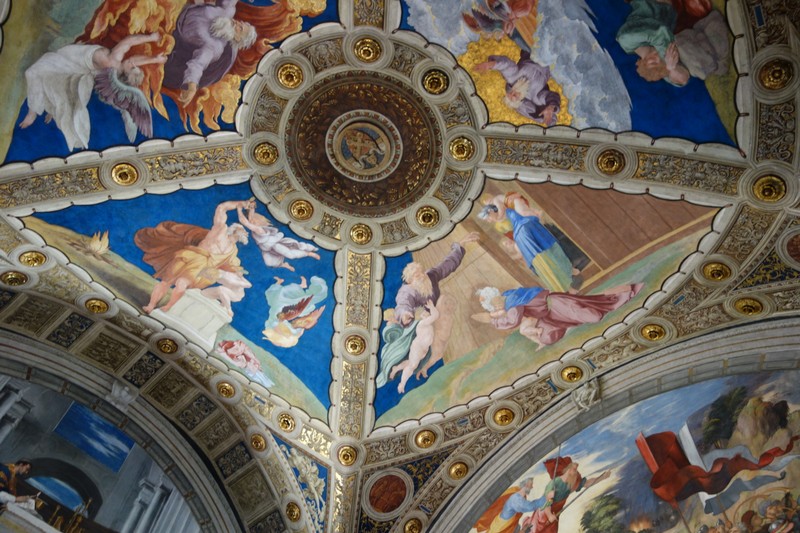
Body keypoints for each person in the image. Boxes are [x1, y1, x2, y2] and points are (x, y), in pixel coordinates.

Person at [20, 33, 166, 150]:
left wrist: (151, 37)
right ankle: (48, 106)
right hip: (77, 60)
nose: (133, 63)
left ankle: (32, 112)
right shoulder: (117, 70)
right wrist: (154, 59)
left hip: (70, 62)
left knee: (32, 72)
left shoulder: (112, 61)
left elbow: (129, 41)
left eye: (132, 67)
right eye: (135, 66)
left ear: (126, 73)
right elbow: (134, 60)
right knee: (58, 88)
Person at [375, 232, 480, 390]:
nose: (422, 276)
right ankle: (403, 372)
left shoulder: (430, 276)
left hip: (435, 314)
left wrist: (461, 245)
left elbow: (447, 264)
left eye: (421, 272)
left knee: (441, 345)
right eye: (417, 276)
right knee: (417, 356)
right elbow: (403, 304)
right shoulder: (407, 291)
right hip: (421, 323)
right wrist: (405, 314)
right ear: (410, 280)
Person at [135, 200, 251, 313]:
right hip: (192, 258)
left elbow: (232, 267)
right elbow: (221, 208)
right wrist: (240, 204)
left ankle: (167, 307)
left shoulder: (233, 250)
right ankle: (151, 305)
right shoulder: (220, 230)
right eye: (242, 230)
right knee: (167, 282)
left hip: (204, 270)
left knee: (181, 284)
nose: (245, 233)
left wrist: (238, 275)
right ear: (234, 229)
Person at [473, 283, 643, 347]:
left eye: (493, 304)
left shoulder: (513, 300)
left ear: (496, 297)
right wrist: (496, 314)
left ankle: (613, 292)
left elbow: (512, 321)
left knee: (595, 316)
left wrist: (492, 320)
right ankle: (564, 326)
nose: (495, 307)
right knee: (547, 338)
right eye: (492, 307)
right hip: (548, 316)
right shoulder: (508, 296)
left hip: (556, 304)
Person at [162, 0, 258, 105]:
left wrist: (192, 85)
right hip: (181, 6)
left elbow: (198, 64)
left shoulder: (215, 47)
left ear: (238, 38)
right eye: (240, 23)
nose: (236, 23)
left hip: (170, 26)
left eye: (240, 28)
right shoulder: (227, 12)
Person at [478, 193, 574, 293]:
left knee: (546, 255)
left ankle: (566, 281)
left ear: (490, 211)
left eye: (488, 218)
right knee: (542, 260)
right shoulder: (503, 218)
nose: (489, 221)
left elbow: (513, 206)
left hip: (525, 230)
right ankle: (563, 285)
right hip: (523, 234)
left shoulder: (502, 205)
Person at [519, 457, 611, 533]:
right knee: (536, 529)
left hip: (555, 513)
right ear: (568, 470)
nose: (576, 473)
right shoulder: (555, 483)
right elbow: (547, 501)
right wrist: (549, 515)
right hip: (545, 512)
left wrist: (602, 477)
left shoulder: (572, 483)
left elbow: (587, 483)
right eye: (574, 470)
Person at [474, 50, 560, 126]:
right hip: (551, 60)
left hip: (532, 49)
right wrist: (551, 107)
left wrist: (491, 64)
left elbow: (506, 65)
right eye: (515, 96)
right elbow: (551, 97)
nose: (513, 92)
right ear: (521, 100)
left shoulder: (513, 78)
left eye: (510, 93)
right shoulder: (535, 96)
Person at [236, 200, 320, 272]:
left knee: (290, 255)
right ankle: (284, 264)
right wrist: (252, 206)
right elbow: (250, 218)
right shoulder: (254, 227)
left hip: (274, 245)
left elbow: (245, 221)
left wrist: (239, 209)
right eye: (252, 221)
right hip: (267, 249)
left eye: (255, 220)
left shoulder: (259, 229)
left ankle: (308, 253)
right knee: (269, 263)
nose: (252, 221)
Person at [262, 276, 327, 348]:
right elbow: (301, 326)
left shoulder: (272, 326)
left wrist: (285, 317)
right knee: (285, 296)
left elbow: (276, 318)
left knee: (275, 296)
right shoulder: (294, 333)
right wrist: (307, 320)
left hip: (279, 310)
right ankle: (301, 286)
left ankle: (281, 283)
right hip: (290, 310)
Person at [389, 300, 439, 394]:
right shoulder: (423, 323)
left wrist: (432, 308)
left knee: (410, 363)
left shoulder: (428, 324)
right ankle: (402, 384)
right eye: (426, 312)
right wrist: (432, 307)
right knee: (412, 366)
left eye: (427, 312)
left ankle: (396, 368)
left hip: (423, 349)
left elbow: (434, 316)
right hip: (418, 348)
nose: (427, 313)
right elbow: (435, 316)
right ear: (422, 316)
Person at [475, 478, 554, 533]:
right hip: (500, 527)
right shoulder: (515, 499)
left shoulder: (518, 496)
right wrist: (546, 497)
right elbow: (530, 507)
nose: (532, 487)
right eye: (531, 484)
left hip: (503, 526)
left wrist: (523, 530)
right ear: (526, 485)